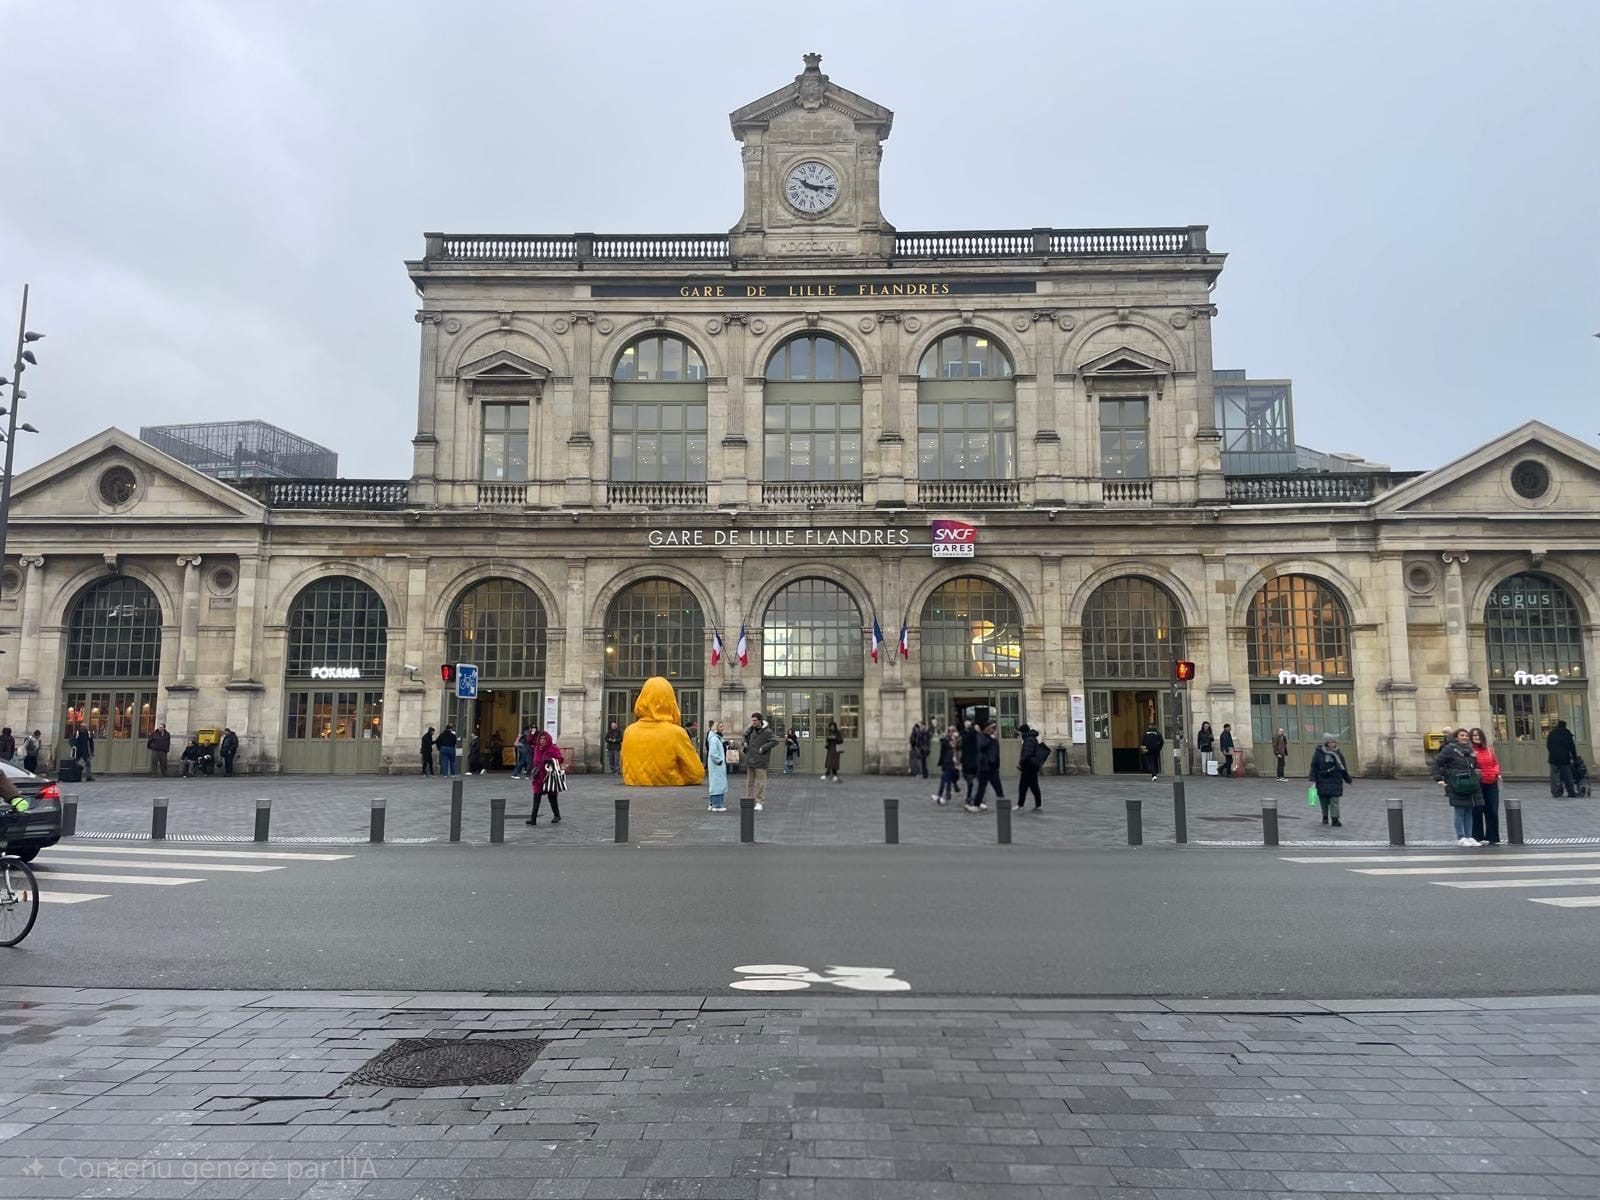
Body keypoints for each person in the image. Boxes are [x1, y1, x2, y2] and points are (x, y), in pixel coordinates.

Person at [1433, 726, 1485, 847]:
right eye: (1462, 735)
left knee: (1469, 810)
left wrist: (1477, 773)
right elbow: (1437, 763)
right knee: (1460, 811)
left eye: (1466, 736)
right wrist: (1439, 778)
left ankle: (1469, 835)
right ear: (1456, 737)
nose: (1465, 737)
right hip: (1457, 782)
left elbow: (1475, 764)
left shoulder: (1471, 749)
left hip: (1470, 783)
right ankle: (1461, 836)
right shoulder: (1450, 749)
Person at [1308, 733, 1351, 826]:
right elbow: (1314, 766)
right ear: (1325, 743)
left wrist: (1347, 778)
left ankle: (1335, 819)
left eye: (1333, 742)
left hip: (1335, 779)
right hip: (1322, 779)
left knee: (1334, 800)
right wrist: (1313, 778)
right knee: (1324, 801)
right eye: (1330, 742)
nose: (1332, 744)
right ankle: (1325, 817)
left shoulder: (1338, 753)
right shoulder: (1319, 753)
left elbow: (1343, 767)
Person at [1469, 726, 1502, 845]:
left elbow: (1495, 763)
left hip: (1491, 782)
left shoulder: (1489, 749)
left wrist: (1496, 772)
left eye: (1478, 735)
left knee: (1492, 809)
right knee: (1477, 809)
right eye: (1474, 736)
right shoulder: (1469, 751)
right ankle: (1477, 836)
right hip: (1478, 783)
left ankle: (1492, 836)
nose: (1476, 737)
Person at [743, 712, 779, 812]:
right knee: (750, 782)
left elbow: (775, 741)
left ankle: (759, 802)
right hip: (750, 759)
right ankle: (749, 800)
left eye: (755, 720)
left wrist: (763, 747)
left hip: (761, 760)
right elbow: (744, 736)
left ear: (760, 721)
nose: (753, 722)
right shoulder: (750, 729)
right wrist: (745, 743)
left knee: (760, 783)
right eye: (752, 720)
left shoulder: (767, 731)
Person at [527, 730, 564, 825]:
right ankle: (533, 818)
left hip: (549, 777)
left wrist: (551, 761)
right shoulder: (536, 749)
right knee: (536, 797)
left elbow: (560, 759)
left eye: (544, 739)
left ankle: (557, 815)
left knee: (552, 798)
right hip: (538, 777)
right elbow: (534, 761)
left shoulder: (553, 749)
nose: (542, 740)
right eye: (541, 739)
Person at [968, 721, 1003, 811]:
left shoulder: (993, 739)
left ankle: (1003, 804)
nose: (993, 730)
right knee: (981, 788)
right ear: (987, 728)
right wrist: (991, 739)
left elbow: (995, 753)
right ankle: (976, 805)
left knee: (998, 787)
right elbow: (981, 746)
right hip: (984, 767)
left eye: (994, 728)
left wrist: (993, 739)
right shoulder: (982, 736)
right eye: (992, 728)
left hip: (993, 768)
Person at [1016, 723, 1046, 811]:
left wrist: (1021, 762)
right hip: (1032, 766)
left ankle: (1020, 805)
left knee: (1023, 786)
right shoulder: (1032, 738)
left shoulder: (1028, 740)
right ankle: (1038, 805)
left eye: (1020, 732)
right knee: (1033, 786)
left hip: (1028, 766)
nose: (1020, 734)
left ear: (1023, 732)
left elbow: (1027, 753)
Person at [1548, 719, 1579, 798]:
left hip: (1553, 758)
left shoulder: (1552, 733)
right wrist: (1575, 758)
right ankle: (1571, 792)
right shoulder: (1567, 734)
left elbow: (1548, 745)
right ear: (1565, 726)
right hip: (1564, 758)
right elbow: (1572, 747)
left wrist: (1552, 752)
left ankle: (1555, 792)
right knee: (1567, 776)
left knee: (1554, 777)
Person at [706, 721, 728, 812]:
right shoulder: (714, 739)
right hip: (717, 765)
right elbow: (713, 753)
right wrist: (719, 761)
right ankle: (717, 805)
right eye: (720, 726)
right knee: (717, 784)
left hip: (717, 765)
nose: (722, 728)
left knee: (715, 783)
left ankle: (712, 803)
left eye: (723, 726)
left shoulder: (716, 738)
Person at [934, 725, 958, 805]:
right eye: (952, 731)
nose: (953, 733)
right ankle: (940, 795)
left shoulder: (951, 739)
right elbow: (945, 743)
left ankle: (948, 794)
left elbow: (955, 748)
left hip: (950, 762)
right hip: (947, 762)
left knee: (949, 779)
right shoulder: (946, 740)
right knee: (944, 779)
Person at [960, 719, 979, 804]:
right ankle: (972, 797)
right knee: (975, 781)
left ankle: (970, 797)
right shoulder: (976, 735)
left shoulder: (964, 736)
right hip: (974, 762)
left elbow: (962, 749)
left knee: (970, 781)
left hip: (968, 762)